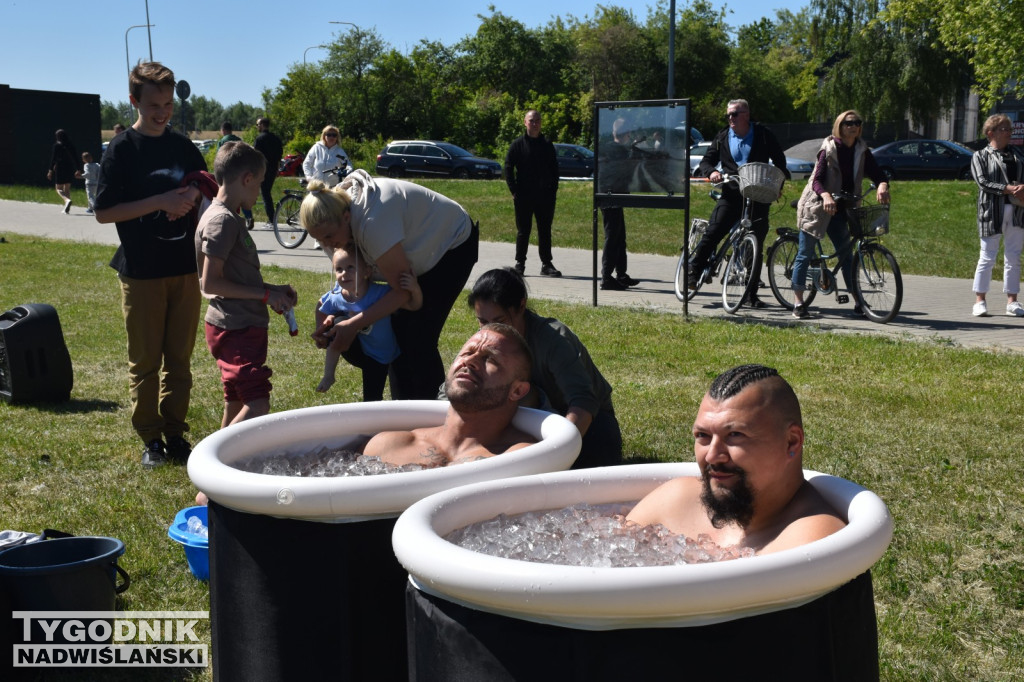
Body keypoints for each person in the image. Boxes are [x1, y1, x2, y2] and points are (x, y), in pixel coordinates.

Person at [94, 61, 208, 467]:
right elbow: (104, 212)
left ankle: (176, 434)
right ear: (133, 101)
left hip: (185, 269)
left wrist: (192, 195)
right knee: (145, 362)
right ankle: (150, 439)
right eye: (153, 105)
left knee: (179, 360)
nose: (162, 113)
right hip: (141, 271)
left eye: (167, 104)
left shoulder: (181, 145)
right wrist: (161, 201)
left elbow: (205, 182)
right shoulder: (122, 149)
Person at [626, 364, 846, 555]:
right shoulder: (675, 500)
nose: (712, 455)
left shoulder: (813, 539)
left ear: (791, 442)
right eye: (703, 436)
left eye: (735, 436)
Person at [300, 171, 479, 400]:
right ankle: (400, 410)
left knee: (417, 336)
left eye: (328, 237)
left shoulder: (373, 222)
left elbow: (403, 292)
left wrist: (354, 323)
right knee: (395, 334)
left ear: (346, 217)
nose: (326, 245)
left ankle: (433, 413)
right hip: (409, 257)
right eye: (319, 240)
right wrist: (334, 319)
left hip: (450, 246)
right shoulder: (332, 230)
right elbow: (358, 288)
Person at [468, 267, 622, 469]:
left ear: (521, 306)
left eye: (500, 321)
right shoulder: (482, 343)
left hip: (584, 426)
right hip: (526, 422)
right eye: (482, 322)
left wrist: (555, 452)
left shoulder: (554, 339)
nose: (491, 331)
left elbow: (584, 402)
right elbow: (455, 390)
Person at [195, 141, 297, 428]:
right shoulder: (222, 222)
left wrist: (274, 290)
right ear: (247, 179)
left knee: (236, 400)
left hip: (236, 323)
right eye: (260, 183)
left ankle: (220, 463)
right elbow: (211, 282)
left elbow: (235, 277)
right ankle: (221, 462)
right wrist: (264, 295)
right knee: (257, 402)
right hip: (235, 327)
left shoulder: (228, 217)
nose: (259, 190)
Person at [363, 324, 534, 467]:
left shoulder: (522, 458)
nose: (470, 361)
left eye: (490, 359)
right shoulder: (388, 446)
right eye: (467, 353)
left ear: (517, 391)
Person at [690, 99, 790, 307]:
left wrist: (779, 184)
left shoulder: (762, 134)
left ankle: (751, 294)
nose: (730, 118)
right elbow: (706, 162)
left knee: (756, 244)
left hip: (758, 195)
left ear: (746, 114)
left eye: (734, 114)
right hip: (732, 193)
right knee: (714, 232)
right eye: (728, 115)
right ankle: (693, 271)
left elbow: (780, 160)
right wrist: (713, 172)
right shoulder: (723, 136)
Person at [791, 110, 890, 318]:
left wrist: (882, 185)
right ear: (839, 125)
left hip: (842, 207)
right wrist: (826, 196)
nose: (852, 126)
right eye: (848, 123)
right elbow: (817, 180)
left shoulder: (862, 150)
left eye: (857, 122)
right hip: (818, 205)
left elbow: (878, 173)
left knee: (847, 256)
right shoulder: (829, 148)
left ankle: (858, 302)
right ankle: (798, 302)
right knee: (805, 254)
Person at [314, 246, 422, 400]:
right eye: (339, 269)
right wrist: (321, 328)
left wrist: (415, 289)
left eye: (350, 267)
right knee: (337, 324)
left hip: (381, 355)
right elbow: (320, 305)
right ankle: (328, 375)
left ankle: (383, 420)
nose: (344, 273)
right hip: (358, 351)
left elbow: (413, 305)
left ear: (367, 271)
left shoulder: (378, 292)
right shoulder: (337, 296)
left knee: (372, 398)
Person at [970, 113, 1024, 317]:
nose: (1009, 133)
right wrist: (1009, 189)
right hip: (992, 211)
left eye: (1010, 129)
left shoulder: (1018, 154)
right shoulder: (980, 156)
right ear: (990, 132)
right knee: (987, 257)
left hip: (1018, 211)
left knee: (1013, 257)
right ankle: (980, 300)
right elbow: (982, 182)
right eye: (1004, 129)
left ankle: (1012, 301)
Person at [505, 109, 562, 278]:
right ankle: (520, 264)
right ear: (525, 123)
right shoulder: (517, 145)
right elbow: (508, 167)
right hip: (524, 196)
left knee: (545, 230)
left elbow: (554, 168)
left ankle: (546, 264)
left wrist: (553, 189)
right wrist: (514, 190)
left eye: (537, 120)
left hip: (545, 196)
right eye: (531, 121)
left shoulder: (547, 144)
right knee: (524, 230)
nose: (535, 124)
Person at [598, 117, 640, 291]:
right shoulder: (618, 150)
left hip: (610, 196)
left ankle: (621, 274)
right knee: (613, 238)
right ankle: (606, 277)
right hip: (611, 197)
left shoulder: (610, 148)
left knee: (619, 237)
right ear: (627, 134)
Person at [253, 117, 284, 227]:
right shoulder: (275, 138)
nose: (257, 127)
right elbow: (280, 154)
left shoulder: (259, 139)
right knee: (267, 193)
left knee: (266, 195)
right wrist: (277, 167)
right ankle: (272, 218)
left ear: (261, 125)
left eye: (257, 125)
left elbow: (255, 155)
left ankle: (272, 220)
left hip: (262, 169)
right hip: (273, 169)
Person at [48, 129, 78, 214]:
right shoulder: (70, 145)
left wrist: (50, 170)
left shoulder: (57, 145)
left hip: (60, 166)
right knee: (67, 188)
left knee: (58, 188)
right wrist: (78, 169)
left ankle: (67, 200)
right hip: (70, 166)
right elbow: (75, 157)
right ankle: (66, 208)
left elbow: (53, 159)